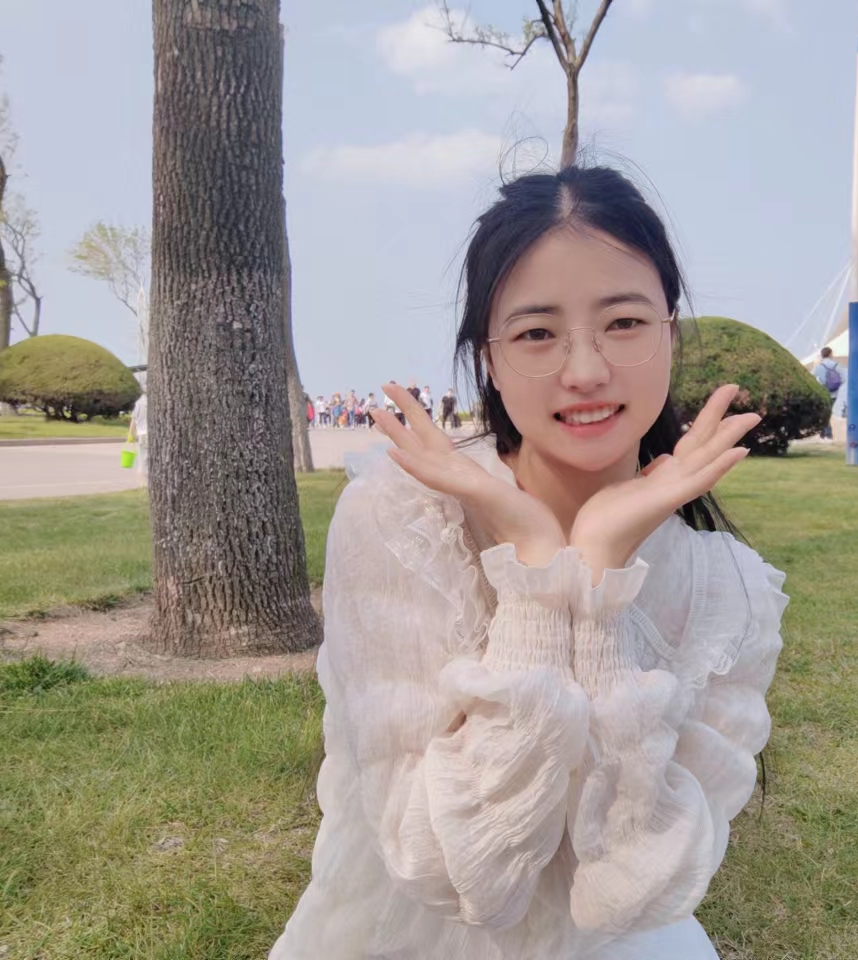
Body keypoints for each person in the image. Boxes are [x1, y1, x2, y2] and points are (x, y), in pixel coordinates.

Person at [270, 166, 788, 960]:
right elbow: (455, 876)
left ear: (670, 334)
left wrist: (598, 575)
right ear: (489, 357)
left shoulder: (729, 591)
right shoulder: (403, 523)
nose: (585, 371)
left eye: (624, 323)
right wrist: (539, 585)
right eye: (537, 333)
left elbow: (632, 892)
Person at [812, 346, 843, 440]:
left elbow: (813, 378)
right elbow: (843, 379)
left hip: (822, 393)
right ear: (830, 354)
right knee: (827, 413)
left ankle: (826, 434)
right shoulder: (836, 365)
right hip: (834, 393)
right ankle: (827, 434)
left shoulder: (819, 367)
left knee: (823, 413)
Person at [126, 387, 149, 480]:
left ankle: (142, 472)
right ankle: (145, 473)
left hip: (141, 433)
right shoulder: (149, 401)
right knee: (148, 456)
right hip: (148, 432)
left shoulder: (139, 402)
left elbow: (134, 419)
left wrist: (130, 433)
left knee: (143, 455)